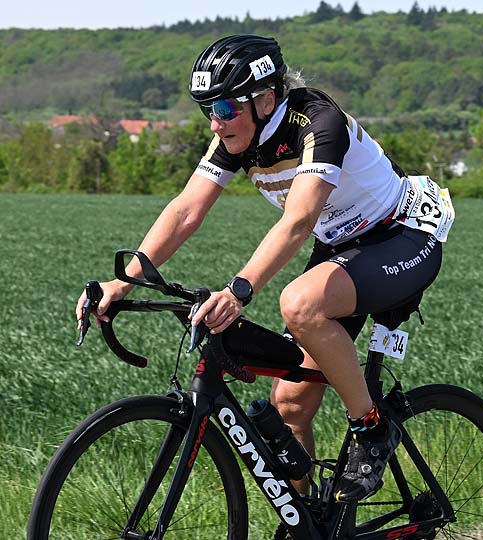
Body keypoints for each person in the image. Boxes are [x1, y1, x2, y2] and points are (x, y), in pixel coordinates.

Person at [77, 35, 451, 510]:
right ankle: (304, 525)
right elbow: (187, 210)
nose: (215, 122)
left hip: (401, 234)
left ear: (266, 99)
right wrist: (124, 281)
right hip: (343, 245)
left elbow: (299, 221)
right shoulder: (237, 135)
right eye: (208, 109)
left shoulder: (317, 121)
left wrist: (238, 291)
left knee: (300, 303)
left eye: (226, 108)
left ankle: (372, 428)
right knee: (289, 404)